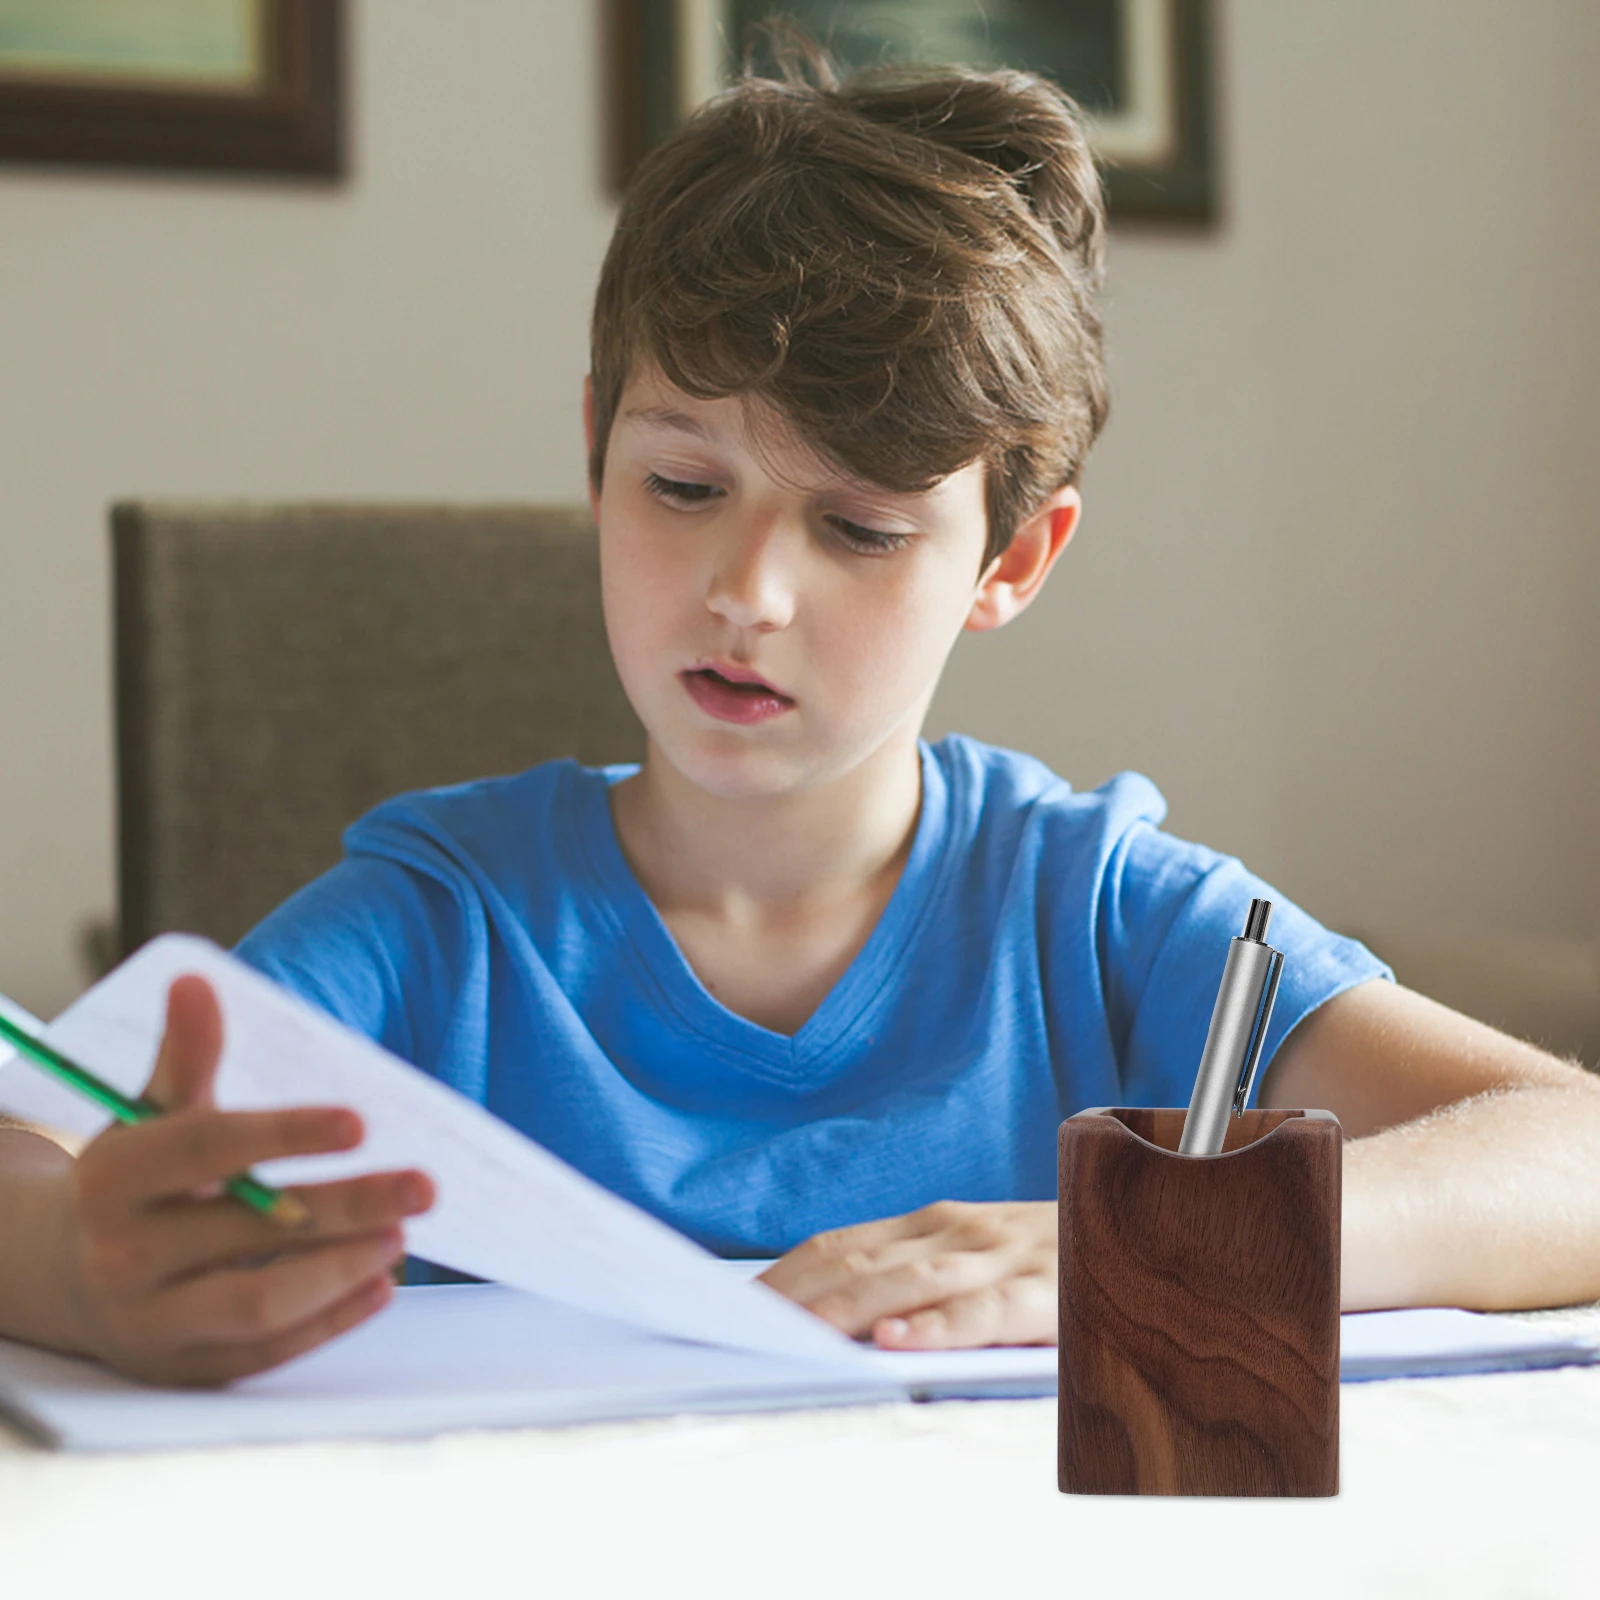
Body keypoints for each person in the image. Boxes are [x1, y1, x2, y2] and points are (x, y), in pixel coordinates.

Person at [2, 45, 1598, 1388]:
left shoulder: (1097, 910)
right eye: (684, 485)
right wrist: (77, 1267)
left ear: (1013, 558)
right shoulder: (445, 926)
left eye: (860, 527)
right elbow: (36, 1157)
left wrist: (1167, 1237)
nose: (748, 592)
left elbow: (1572, 1152)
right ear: (596, 451)